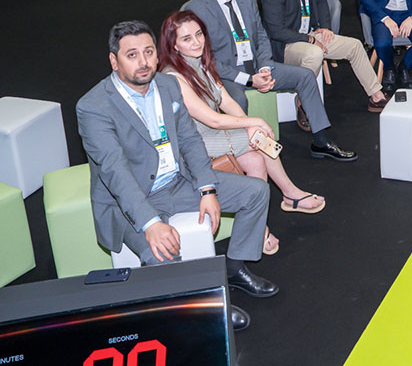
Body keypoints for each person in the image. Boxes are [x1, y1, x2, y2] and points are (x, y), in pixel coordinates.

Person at [77, 20, 275, 333]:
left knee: (256, 192)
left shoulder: (168, 86)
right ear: (114, 61)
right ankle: (204, 309)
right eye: (132, 55)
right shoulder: (93, 106)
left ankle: (234, 267)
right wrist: (151, 223)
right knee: (162, 252)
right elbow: (115, 171)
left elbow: (190, 140)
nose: (143, 62)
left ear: (158, 55)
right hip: (130, 201)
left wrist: (207, 189)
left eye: (148, 52)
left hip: (177, 182)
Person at [158, 11, 325, 258]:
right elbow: (212, 119)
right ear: (173, 45)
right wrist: (254, 123)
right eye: (186, 39)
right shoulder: (173, 77)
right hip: (193, 145)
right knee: (259, 139)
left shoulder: (201, 64)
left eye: (198, 34)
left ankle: (260, 225)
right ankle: (289, 194)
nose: (196, 42)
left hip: (212, 135)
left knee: (256, 155)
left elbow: (226, 101)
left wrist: (248, 125)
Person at [186, 0, 356, 161]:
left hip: (256, 67)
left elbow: (261, 37)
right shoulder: (195, 10)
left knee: (305, 76)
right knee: (238, 100)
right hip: (225, 76)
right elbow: (206, 59)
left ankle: (321, 142)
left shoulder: (246, 1)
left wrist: (265, 67)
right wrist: (249, 80)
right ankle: (246, 154)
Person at [261, 0, 389, 112]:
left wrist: (326, 27)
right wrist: (310, 39)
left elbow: (321, 0)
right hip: (287, 44)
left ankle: (376, 96)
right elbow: (276, 31)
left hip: (311, 33)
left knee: (355, 46)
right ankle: (302, 103)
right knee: (314, 53)